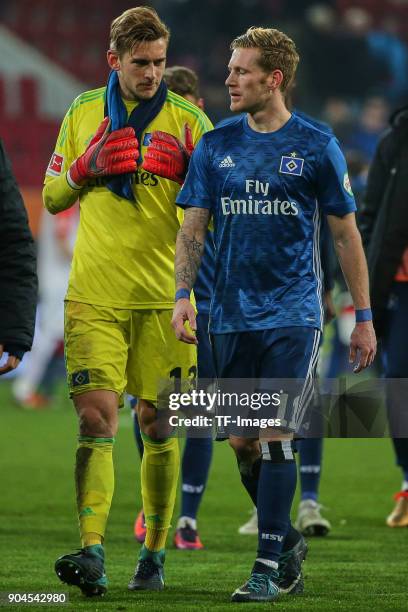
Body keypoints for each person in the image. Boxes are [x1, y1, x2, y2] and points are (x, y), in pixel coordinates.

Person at [172, 26, 376, 602]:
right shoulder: (216, 145)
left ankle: (266, 567)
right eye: (230, 69)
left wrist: (362, 315)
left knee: (276, 433)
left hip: (292, 313)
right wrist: (182, 296)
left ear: (274, 78)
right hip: (226, 315)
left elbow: (345, 235)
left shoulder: (315, 144)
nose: (230, 79)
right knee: (240, 443)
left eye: (241, 71)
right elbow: (193, 228)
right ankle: (284, 540)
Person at [43, 7, 212, 597]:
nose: (152, 73)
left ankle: (155, 552)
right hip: (95, 294)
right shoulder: (83, 111)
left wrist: (194, 179)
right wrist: (87, 167)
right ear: (114, 60)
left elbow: (217, 213)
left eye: (160, 62)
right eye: (141, 63)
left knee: (158, 424)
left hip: (167, 301)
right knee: (96, 417)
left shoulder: (191, 121)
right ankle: (91, 551)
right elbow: (52, 195)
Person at [132, 65, 214, 551]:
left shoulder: (213, 154)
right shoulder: (145, 155)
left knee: (198, 411)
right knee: (151, 408)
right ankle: (154, 506)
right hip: (151, 294)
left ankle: (187, 518)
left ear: (196, 108)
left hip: (204, 296)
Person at [359, 105, 408, 527]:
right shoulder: (396, 140)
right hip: (398, 285)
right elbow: (370, 214)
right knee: (398, 383)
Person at [12, 206, 79, 408]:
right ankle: (24, 389)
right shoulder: (65, 204)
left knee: (54, 334)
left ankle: (27, 388)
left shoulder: (57, 200)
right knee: (49, 335)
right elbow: (62, 241)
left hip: (56, 278)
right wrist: (92, 265)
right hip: (59, 280)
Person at [0, 139, 37, 376]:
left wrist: (15, 328)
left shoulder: (175, 119)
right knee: (96, 411)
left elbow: (12, 238)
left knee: (166, 406)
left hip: (166, 296)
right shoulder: (81, 114)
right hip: (103, 296)